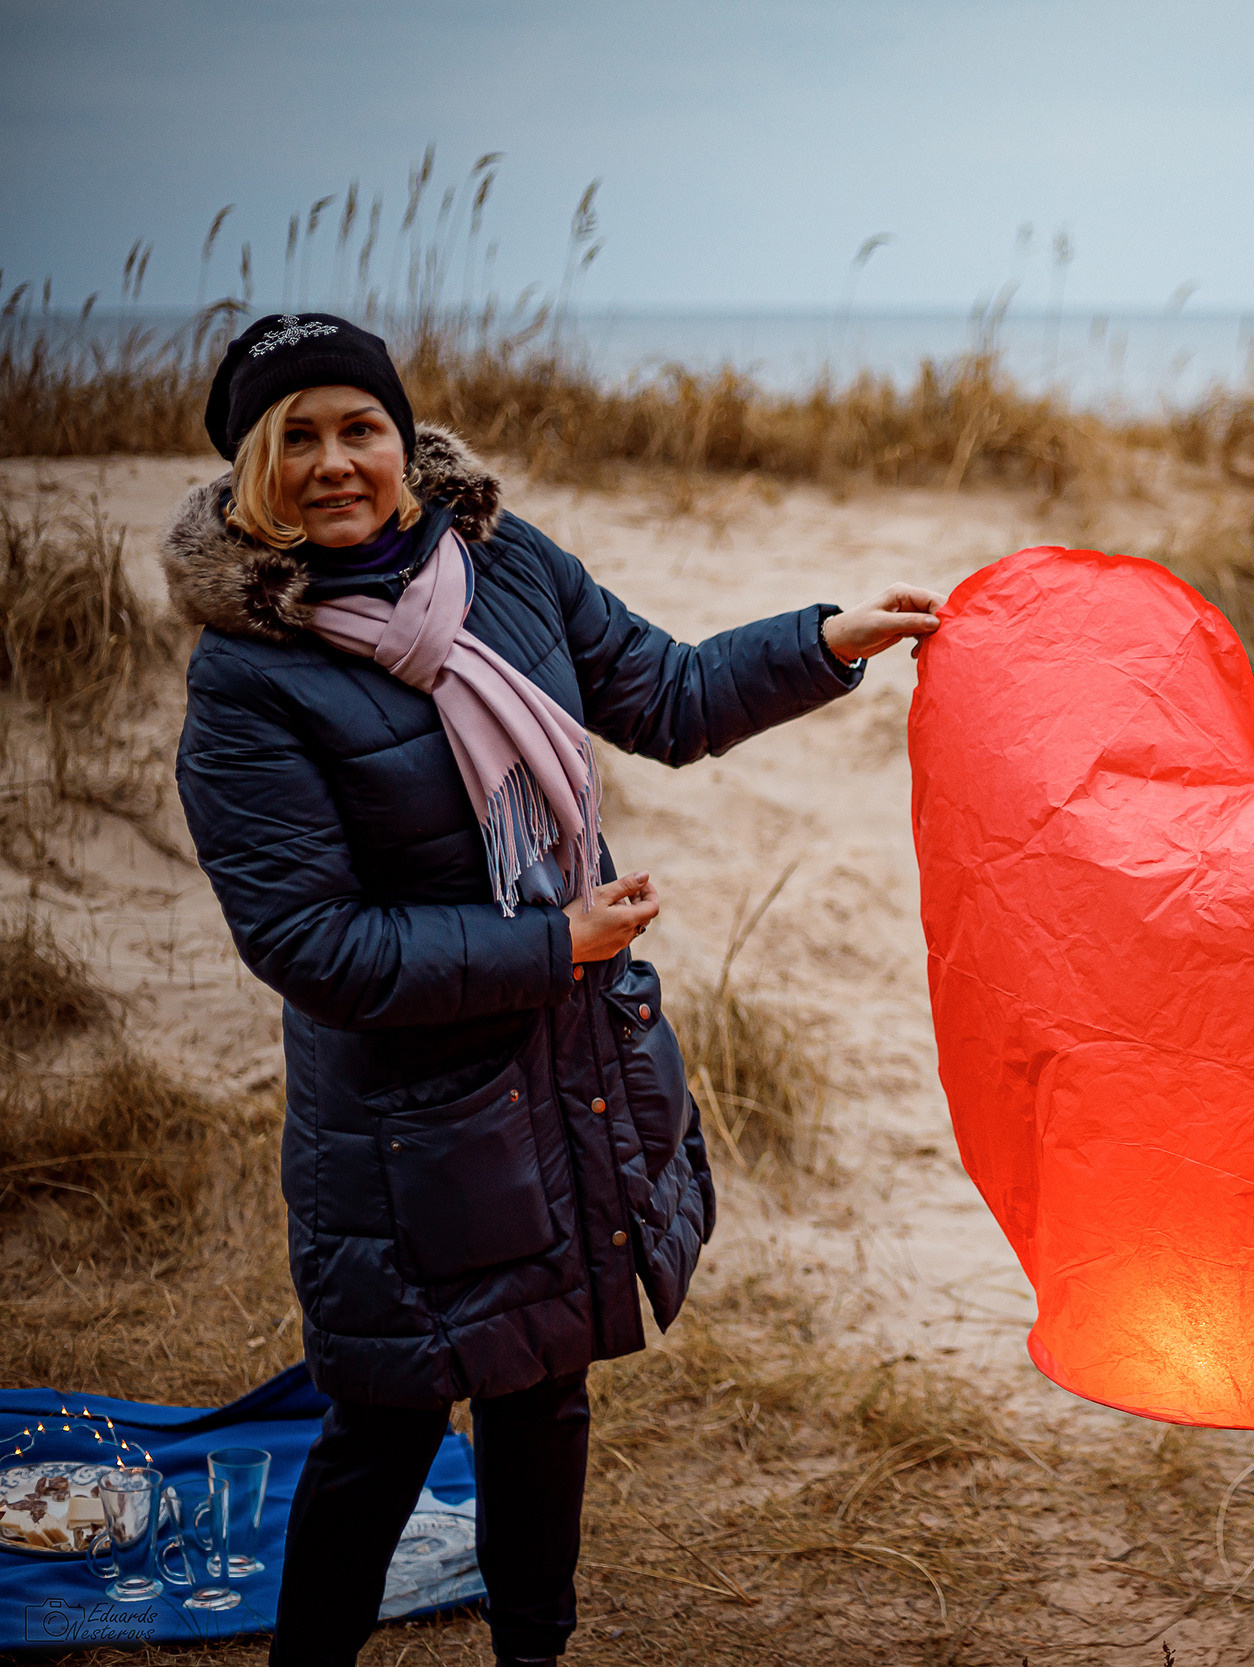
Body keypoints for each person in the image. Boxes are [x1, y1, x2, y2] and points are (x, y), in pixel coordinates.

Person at [163, 312, 940, 1667]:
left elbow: (669, 691)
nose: (336, 461)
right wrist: (550, 944)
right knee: (385, 1420)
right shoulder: (250, 676)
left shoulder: (505, 565)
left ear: (403, 440)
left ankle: (536, 1650)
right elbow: (312, 943)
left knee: (544, 1392)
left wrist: (827, 639)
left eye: (361, 427)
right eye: (298, 438)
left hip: (567, 1064)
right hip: (407, 1122)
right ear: (249, 472)